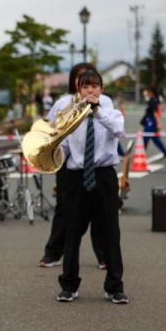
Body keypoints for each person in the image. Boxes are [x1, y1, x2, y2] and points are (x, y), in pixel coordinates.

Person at [56, 70, 128, 305]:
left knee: (110, 232)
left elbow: (119, 131)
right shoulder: (70, 117)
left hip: (103, 175)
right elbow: (63, 146)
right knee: (72, 232)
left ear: (101, 89)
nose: (90, 90)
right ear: (79, 90)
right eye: (85, 87)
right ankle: (69, 285)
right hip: (76, 176)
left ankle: (114, 287)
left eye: (94, 86)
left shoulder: (112, 113)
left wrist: (96, 111)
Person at [37, 63, 111, 270]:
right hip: (69, 163)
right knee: (65, 210)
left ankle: (104, 255)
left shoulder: (104, 102)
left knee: (100, 214)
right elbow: (51, 129)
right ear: (75, 83)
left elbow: (113, 128)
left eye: (91, 82)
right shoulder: (63, 102)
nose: (87, 86)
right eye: (81, 80)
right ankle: (54, 253)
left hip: (96, 165)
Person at [141, 86, 166, 160]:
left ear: (151, 92)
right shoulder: (152, 99)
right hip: (150, 120)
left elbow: (155, 113)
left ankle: (141, 152)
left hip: (151, 121)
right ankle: (165, 152)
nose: (146, 92)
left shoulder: (153, 100)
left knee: (145, 136)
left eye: (147, 90)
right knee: (155, 138)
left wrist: (158, 123)